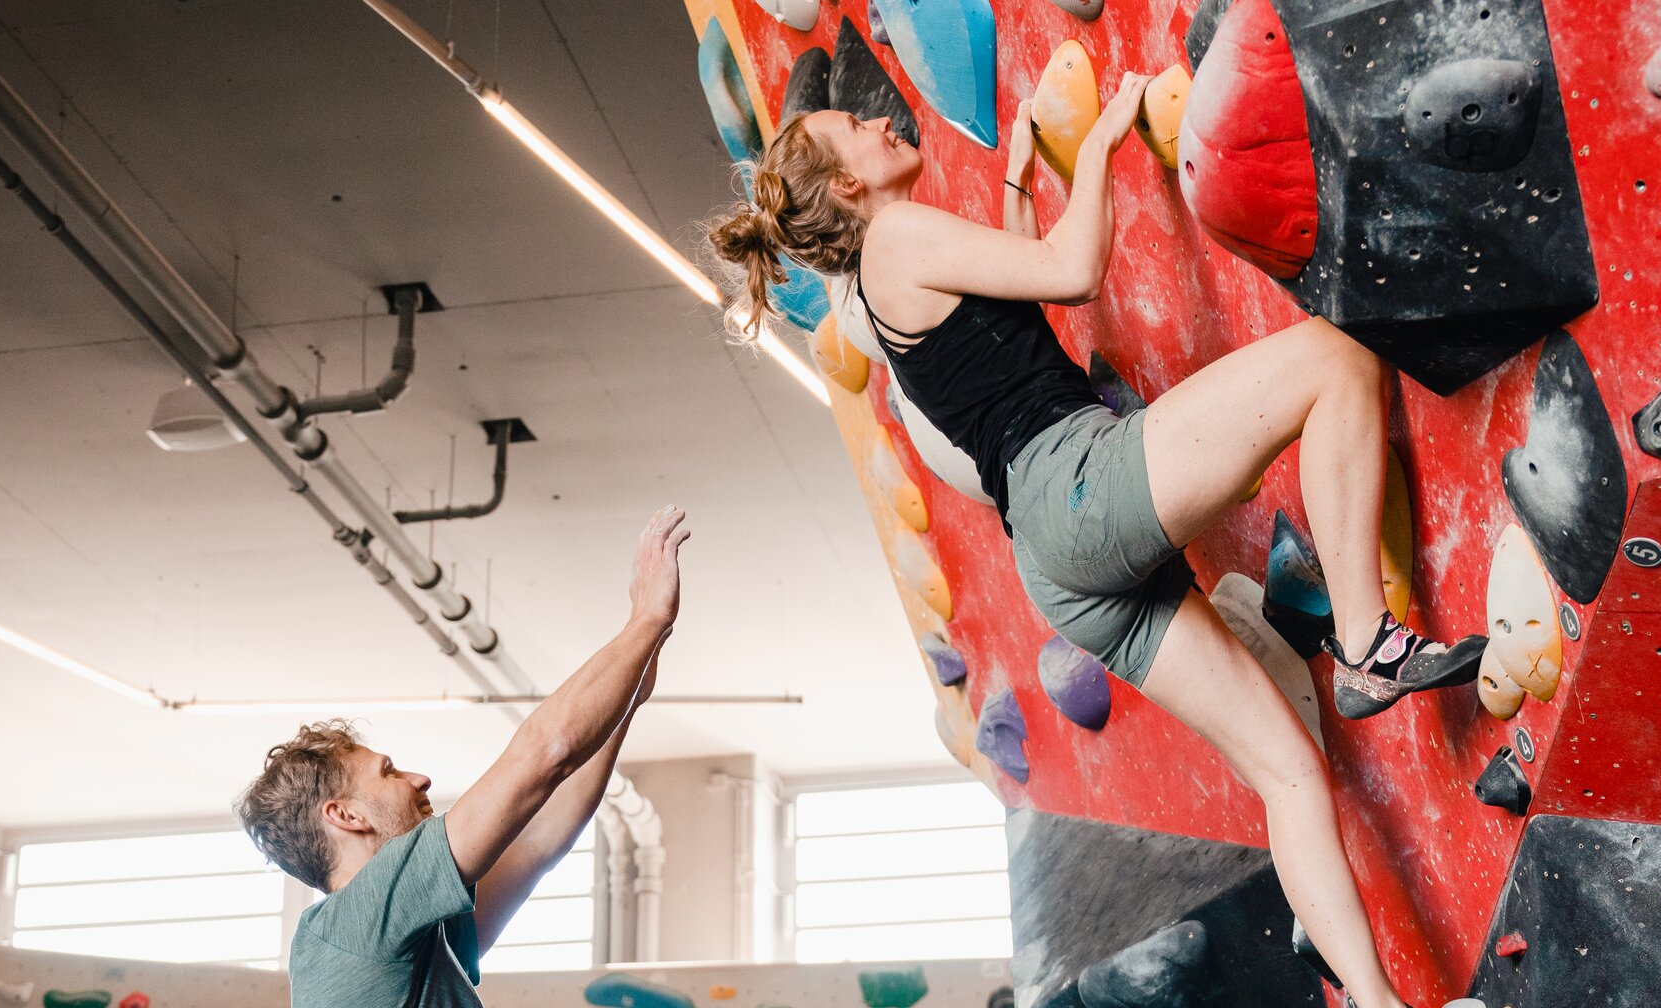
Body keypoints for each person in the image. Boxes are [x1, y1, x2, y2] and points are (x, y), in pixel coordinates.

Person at [707, 78, 1485, 1008]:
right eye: (856, 129)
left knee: (1286, 771)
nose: (880, 122)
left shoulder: (878, 292)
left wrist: (1015, 191)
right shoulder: (896, 236)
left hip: (1056, 563)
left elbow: (1000, 329)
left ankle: (1379, 1005)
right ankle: (1365, 643)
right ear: (845, 188)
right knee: (1336, 359)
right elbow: (1072, 274)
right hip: (1071, 484)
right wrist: (1106, 141)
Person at [236, 506, 689, 1008]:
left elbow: (538, 841)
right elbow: (545, 753)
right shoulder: (359, 919)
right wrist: (646, 621)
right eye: (387, 772)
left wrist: (627, 697)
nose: (420, 778)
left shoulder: (411, 929)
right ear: (345, 815)